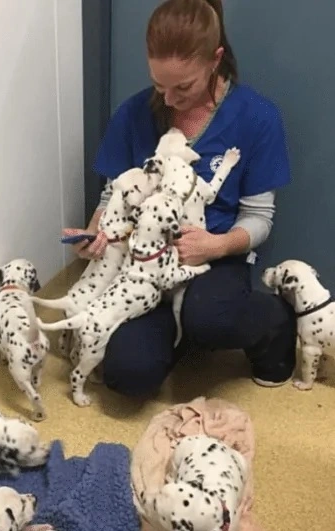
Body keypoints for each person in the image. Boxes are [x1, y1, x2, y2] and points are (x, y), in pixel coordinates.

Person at [63, 0, 296, 397]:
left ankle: (272, 321)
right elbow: (113, 192)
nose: (167, 99)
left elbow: (259, 217)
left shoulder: (257, 117)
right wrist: (95, 233)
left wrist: (216, 245)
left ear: (215, 60)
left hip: (213, 255)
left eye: (182, 86)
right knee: (126, 377)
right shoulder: (133, 114)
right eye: (158, 85)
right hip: (143, 264)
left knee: (208, 318)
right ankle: (178, 329)